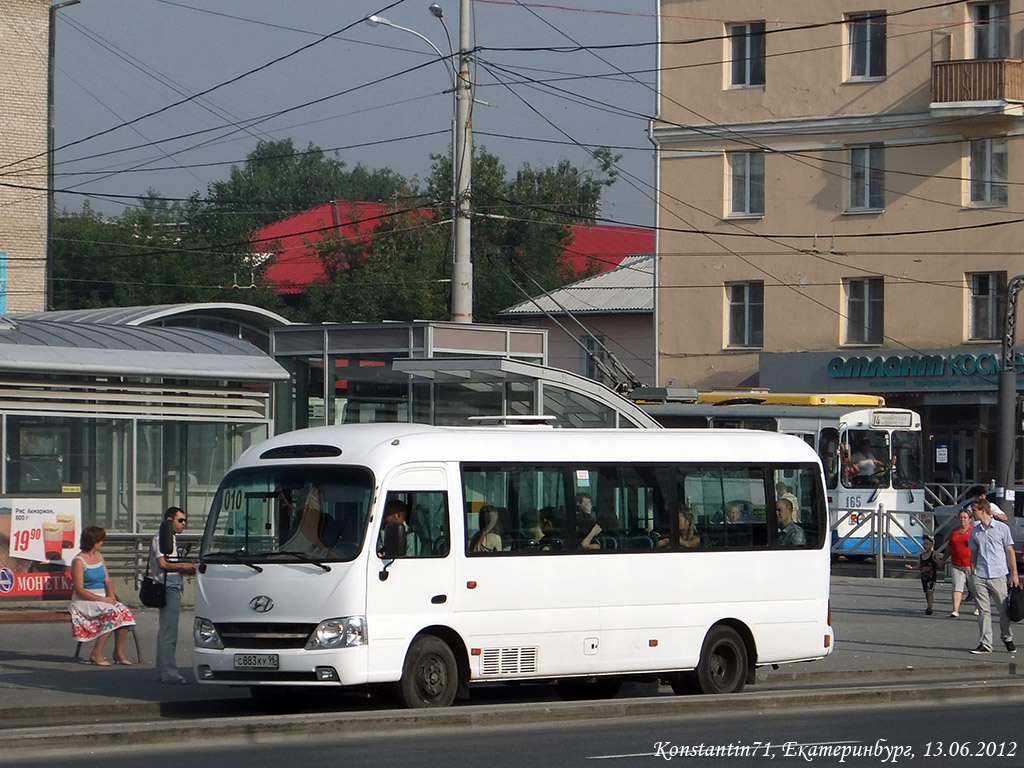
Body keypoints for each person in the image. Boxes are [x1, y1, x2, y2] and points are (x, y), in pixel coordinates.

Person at [69, 526, 135, 666]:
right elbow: (80, 590)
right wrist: (103, 600)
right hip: (84, 600)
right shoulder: (79, 561)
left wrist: (111, 596)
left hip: (102, 598)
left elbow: (107, 581)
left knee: (124, 611)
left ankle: (118, 652)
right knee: (112, 613)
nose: (102, 543)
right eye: (100, 541)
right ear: (94, 542)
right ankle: (96, 652)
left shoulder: (98, 556)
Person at [150, 506, 196, 684]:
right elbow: (163, 563)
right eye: (181, 520)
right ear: (170, 520)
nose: (184, 524)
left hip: (171, 585)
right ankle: (169, 672)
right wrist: (183, 567)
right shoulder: (163, 537)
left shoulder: (171, 539)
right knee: (169, 633)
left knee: (165, 632)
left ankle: (161, 670)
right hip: (168, 587)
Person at [968, 498, 1019, 654]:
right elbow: (974, 553)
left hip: (998, 574)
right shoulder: (975, 532)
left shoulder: (1002, 529)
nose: (972, 514)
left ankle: (1007, 637)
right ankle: (985, 643)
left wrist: (1014, 574)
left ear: (983, 510)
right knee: (984, 611)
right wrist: (973, 572)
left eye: (974, 511)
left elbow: (1009, 552)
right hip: (980, 575)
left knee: (1003, 610)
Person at [946, 509, 975, 618]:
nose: (962, 519)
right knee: (957, 587)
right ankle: (955, 610)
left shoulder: (974, 531)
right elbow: (950, 546)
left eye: (965, 517)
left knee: (975, 588)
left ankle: (977, 607)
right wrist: (944, 559)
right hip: (956, 563)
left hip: (971, 564)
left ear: (970, 519)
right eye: (961, 517)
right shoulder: (954, 531)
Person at [918, 535, 944, 615]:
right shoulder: (921, 555)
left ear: (932, 544)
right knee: (926, 592)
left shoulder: (934, 554)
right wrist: (911, 567)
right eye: (924, 544)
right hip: (924, 577)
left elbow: (940, 565)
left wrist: (938, 562)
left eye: (927, 544)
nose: (925, 546)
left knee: (930, 591)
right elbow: (918, 565)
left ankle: (930, 607)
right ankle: (928, 605)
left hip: (931, 576)